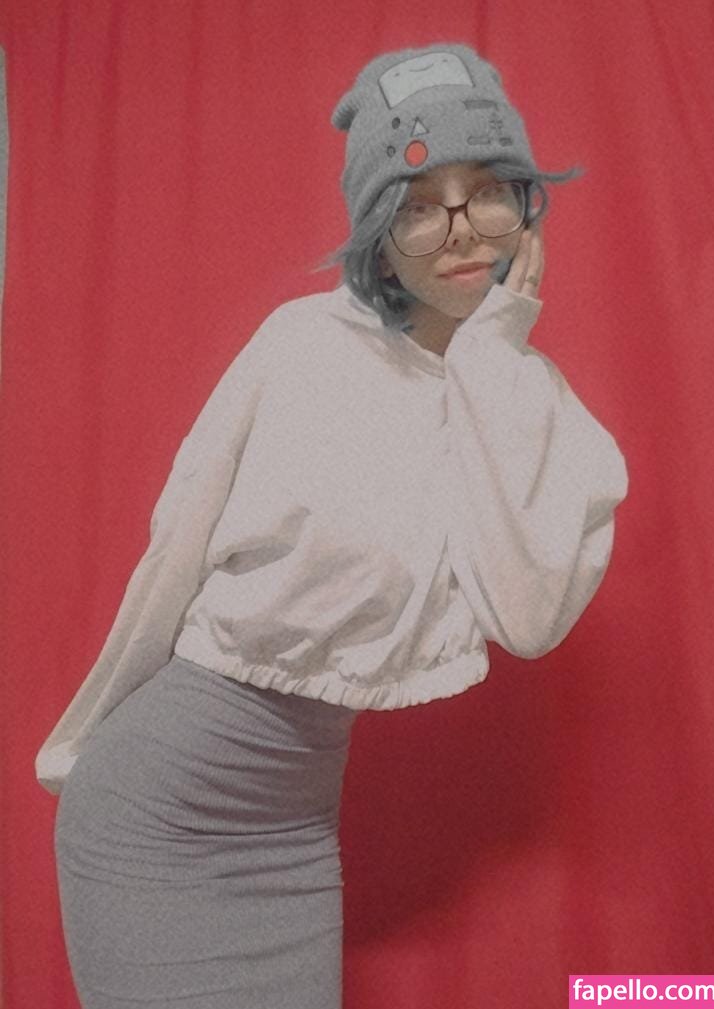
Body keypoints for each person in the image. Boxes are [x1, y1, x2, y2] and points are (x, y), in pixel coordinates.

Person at [41, 42, 629, 1009]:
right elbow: (173, 548)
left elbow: (524, 616)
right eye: (417, 205)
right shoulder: (303, 347)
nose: (459, 231)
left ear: (526, 206)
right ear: (376, 230)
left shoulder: (532, 404)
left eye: (487, 192)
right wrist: (84, 743)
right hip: (157, 815)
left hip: (295, 838)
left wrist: (493, 350)